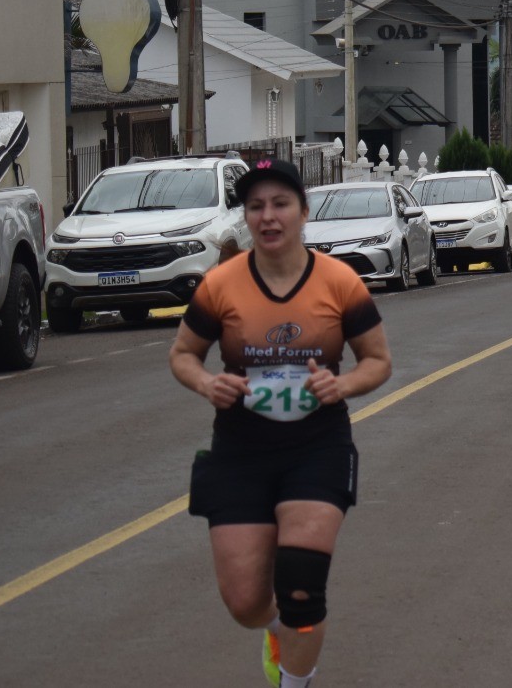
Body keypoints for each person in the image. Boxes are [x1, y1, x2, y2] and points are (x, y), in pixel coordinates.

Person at [170, 158, 393, 688]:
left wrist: (342, 386)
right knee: (245, 600)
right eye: (256, 207)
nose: (268, 217)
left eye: (280, 204)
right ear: (245, 217)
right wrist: (207, 384)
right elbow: (183, 354)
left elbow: (378, 361)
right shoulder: (220, 286)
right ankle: (276, 630)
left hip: (318, 446)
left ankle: (296, 678)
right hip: (241, 450)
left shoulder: (339, 282)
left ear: (303, 212)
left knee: (301, 589)